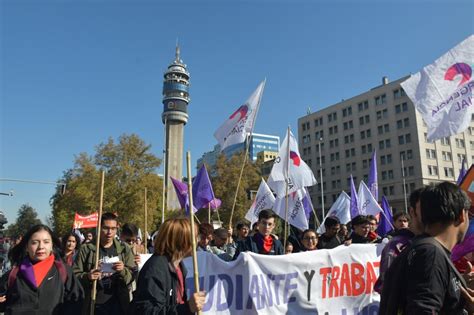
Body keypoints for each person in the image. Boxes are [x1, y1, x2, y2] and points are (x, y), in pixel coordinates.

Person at [380, 182, 474, 314]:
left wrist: (457, 290)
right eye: (469, 214)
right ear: (461, 216)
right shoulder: (430, 253)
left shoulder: (422, 249)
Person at [0, 224, 84, 314]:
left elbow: (75, 302)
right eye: (35, 242)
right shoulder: (13, 275)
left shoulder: (64, 272)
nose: (41, 247)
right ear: (27, 247)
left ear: (52, 245)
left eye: (46, 242)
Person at [129, 218, 206, 314]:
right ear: (182, 241)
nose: (197, 241)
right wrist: (186, 308)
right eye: (195, 237)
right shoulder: (156, 269)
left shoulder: (179, 266)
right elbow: (148, 311)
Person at [73, 212, 135, 315]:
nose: (109, 232)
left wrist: (123, 271)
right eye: (106, 228)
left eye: (113, 228)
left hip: (118, 305)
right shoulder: (87, 249)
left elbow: (132, 276)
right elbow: (74, 275)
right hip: (93, 304)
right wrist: (88, 276)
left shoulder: (124, 249)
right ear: (99, 227)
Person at [374, 187, 425, 294]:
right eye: (400, 221)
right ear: (413, 212)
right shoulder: (394, 245)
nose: (403, 223)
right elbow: (386, 281)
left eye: (405, 221)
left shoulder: (437, 241)